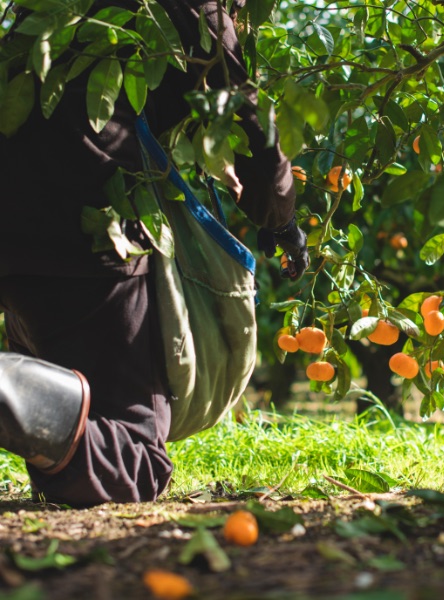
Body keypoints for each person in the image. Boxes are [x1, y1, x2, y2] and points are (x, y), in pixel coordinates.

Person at [0, 0, 309, 506]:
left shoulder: (42, 10)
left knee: (67, 440)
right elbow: (245, 110)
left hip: (13, 236)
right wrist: (282, 218)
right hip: (92, 227)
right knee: (132, 457)